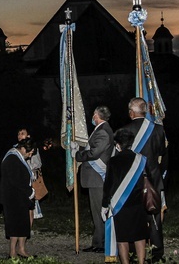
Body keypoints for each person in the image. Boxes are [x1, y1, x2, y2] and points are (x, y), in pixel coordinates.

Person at [122, 98, 168, 260]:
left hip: (133, 179)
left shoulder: (125, 131)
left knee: (135, 216)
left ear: (131, 112)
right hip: (154, 178)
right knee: (154, 217)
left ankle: (135, 252)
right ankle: (156, 253)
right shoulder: (158, 130)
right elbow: (162, 153)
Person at [102, 128, 149, 264]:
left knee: (122, 239)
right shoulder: (141, 159)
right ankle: (141, 262)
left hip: (120, 205)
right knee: (140, 237)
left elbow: (108, 185)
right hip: (138, 203)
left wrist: (105, 204)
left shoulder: (113, 161)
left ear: (117, 144)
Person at [72, 105, 115, 253]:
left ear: (97, 116)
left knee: (99, 212)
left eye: (93, 115)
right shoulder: (101, 130)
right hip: (94, 178)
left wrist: (77, 155)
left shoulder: (103, 131)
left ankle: (102, 243)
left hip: (98, 178)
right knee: (96, 212)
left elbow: (95, 153)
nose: (92, 117)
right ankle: (98, 242)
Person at [0, 138, 38, 259]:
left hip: (21, 196)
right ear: (22, 148)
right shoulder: (11, 158)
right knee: (14, 224)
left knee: (23, 223)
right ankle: (12, 252)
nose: (30, 155)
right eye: (29, 152)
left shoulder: (19, 157)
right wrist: (29, 191)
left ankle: (21, 249)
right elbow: (15, 180)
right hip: (12, 196)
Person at [16, 128, 43, 226]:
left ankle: (27, 230)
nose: (20, 135)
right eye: (19, 133)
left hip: (29, 179)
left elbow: (38, 163)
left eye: (22, 133)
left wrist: (25, 167)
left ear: (28, 136)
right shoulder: (15, 148)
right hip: (18, 179)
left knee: (29, 206)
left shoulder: (32, 147)